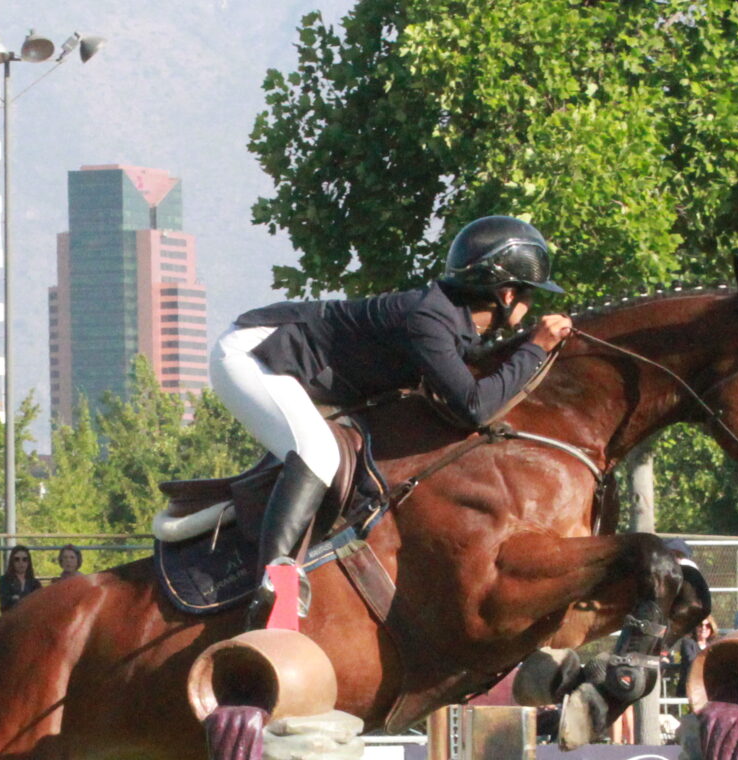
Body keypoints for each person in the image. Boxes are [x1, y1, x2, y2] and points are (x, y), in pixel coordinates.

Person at [211, 214, 571, 622]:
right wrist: (535, 347)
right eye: (529, 295)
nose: (532, 306)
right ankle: (278, 582)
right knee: (318, 451)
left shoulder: (449, 320)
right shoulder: (427, 319)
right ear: (506, 294)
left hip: (294, 369)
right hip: (254, 354)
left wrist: (528, 347)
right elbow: (473, 406)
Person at [669, 614, 718, 698]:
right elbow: (691, 661)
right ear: (695, 627)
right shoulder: (687, 643)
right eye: (700, 625)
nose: (703, 628)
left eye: (707, 626)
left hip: (707, 691)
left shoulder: (714, 645)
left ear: (711, 628)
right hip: (688, 691)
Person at [0, 546, 41, 615]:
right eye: (17, 559)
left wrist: (16, 598)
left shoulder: (35, 583)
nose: (21, 562)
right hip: (11, 618)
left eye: (25, 559)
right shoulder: (4, 580)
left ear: (29, 562)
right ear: (12, 561)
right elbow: (4, 604)